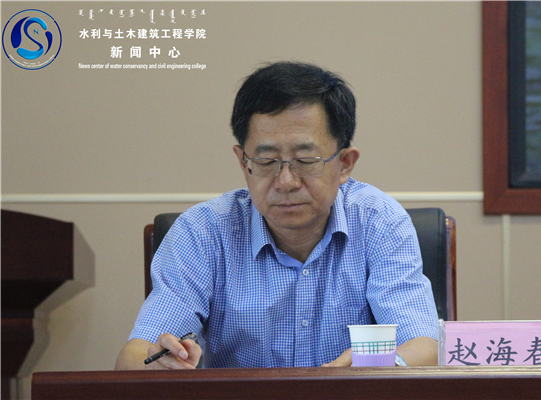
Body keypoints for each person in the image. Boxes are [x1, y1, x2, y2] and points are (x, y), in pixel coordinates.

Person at [115, 61, 439, 370]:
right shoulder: (202, 232)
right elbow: (135, 356)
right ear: (243, 162)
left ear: (344, 164)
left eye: (306, 161)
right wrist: (162, 363)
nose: (286, 182)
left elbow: (423, 346)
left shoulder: (378, 222)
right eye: (266, 161)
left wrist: (379, 364)